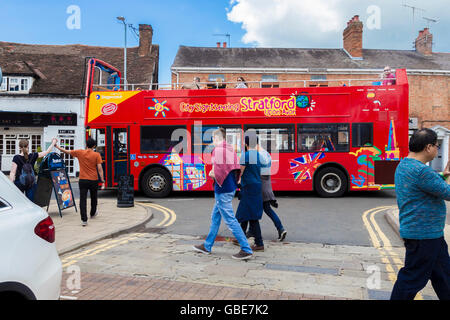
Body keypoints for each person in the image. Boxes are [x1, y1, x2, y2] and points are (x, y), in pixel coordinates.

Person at [390, 128, 450, 300]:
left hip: (428, 234)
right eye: (436, 146)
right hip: (424, 235)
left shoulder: (404, 165)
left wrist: (442, 176)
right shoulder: (422, 171)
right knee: (411, 279)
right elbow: (446, 193)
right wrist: (443, 180)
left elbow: (426, 186)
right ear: (428, 147)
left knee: (444, 276)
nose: (437, 150)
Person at [193, 128, 253, 260]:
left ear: (217, 138)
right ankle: (207, 246)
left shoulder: (218, 150)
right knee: (215, 217)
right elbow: (235, 168)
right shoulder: (230, 149)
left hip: (222, 190)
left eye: (213, 139)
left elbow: (217, 173)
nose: (212, 142)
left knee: (230, 220)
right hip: (230, 187)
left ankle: (246, 248)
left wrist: (210, 173)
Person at [55, 138, 105, 227]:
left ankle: (84, 220)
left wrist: (57, 146)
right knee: (94, 198)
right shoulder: (97, 155)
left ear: (86, 145)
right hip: (93, 180)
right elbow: (100, 169)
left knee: (83, 199)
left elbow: (67, 151)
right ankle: (92, 213)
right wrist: (103, 180)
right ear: (94, 146)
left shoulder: (80, 152)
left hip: (83, 180)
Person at [236, 131, 265, 251]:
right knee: (247, 214)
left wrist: (236, 182)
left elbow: (240, 172)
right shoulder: (259, 155)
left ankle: (259, 243)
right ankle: (241, 238)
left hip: (248, 186)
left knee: (249, 215)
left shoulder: (246, 155)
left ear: (246, 143)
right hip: (257, 185)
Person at [258, 145, 287, 241]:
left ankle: (251, 232)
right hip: (267, 187)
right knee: (267, 209)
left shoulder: (258, 155)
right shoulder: (266, 154)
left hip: (260, 188)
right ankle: (281, 228)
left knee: (252, 211)